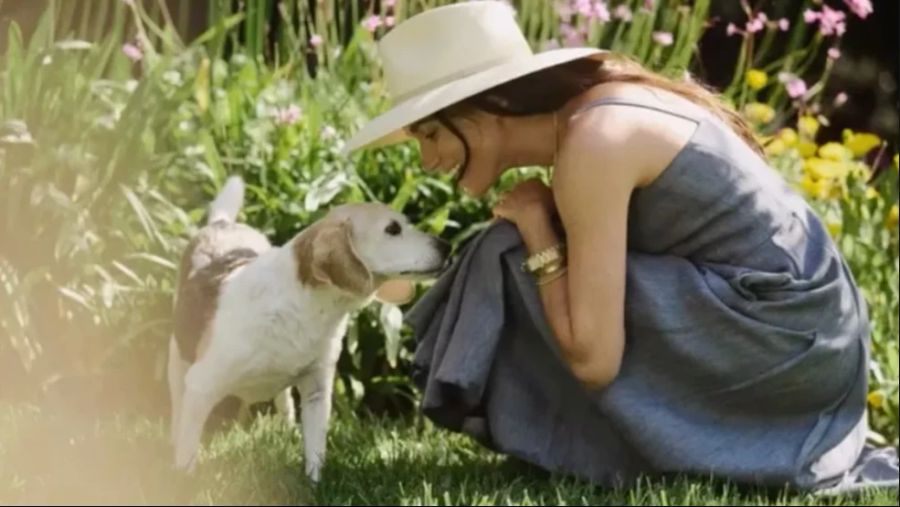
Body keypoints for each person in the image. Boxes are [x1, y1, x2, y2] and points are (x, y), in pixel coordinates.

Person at [345, 0, 896, 493]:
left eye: (430, 135)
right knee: (515, 249)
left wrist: (537, 226)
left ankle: (588, 444)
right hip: (811, 337)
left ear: (481, 113)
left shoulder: (594, 141)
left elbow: (594, 361)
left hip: (787, 345)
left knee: (510, 255)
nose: (428, 161)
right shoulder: (599, 111)